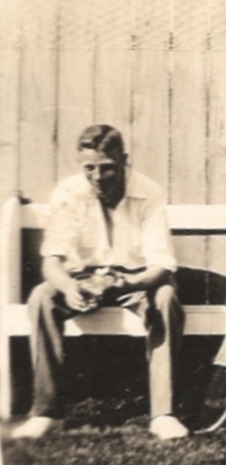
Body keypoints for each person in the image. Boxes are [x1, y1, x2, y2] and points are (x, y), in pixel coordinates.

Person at [10, 125, 187, 440]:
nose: (97, 176)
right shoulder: (69, 192)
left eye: (107, 168)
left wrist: (125, 284)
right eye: (89, 168)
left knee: (165, 299)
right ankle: (47, 413)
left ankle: (164, 414)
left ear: (124, 161)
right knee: (42, 297)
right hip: (83, 278)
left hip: (135, 279)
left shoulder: (149, 192)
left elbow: (161, 264)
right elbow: (52, 260)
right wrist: (68, 287)